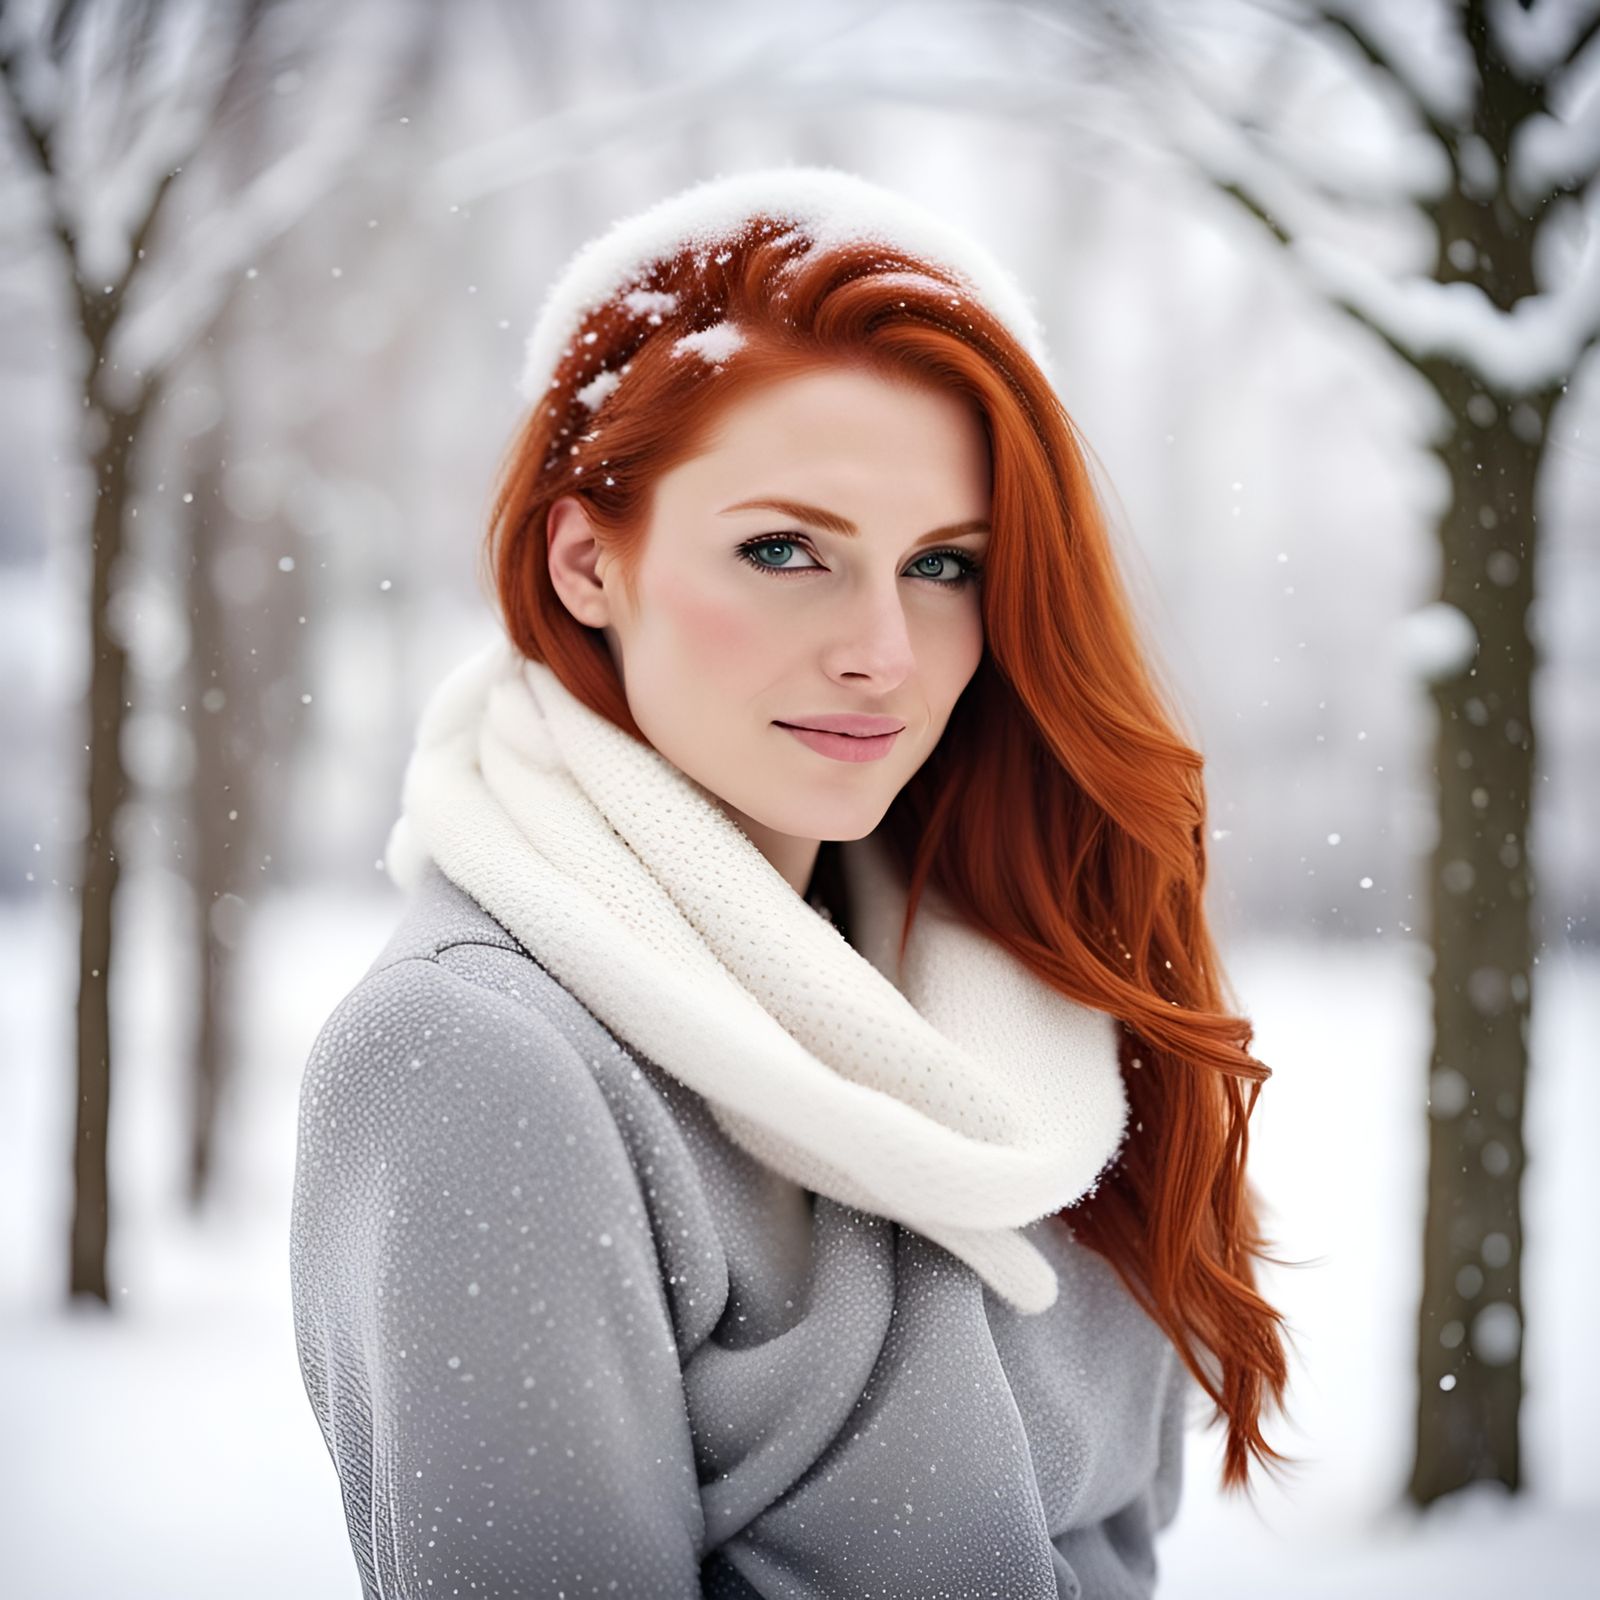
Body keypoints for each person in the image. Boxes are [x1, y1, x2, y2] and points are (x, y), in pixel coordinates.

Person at [289, 165, 1292, 1599]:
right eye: (784, 550)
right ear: (586, 560)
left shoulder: (1027, 987)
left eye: (944, 565)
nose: (882, 647)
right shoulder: (476, 1061)